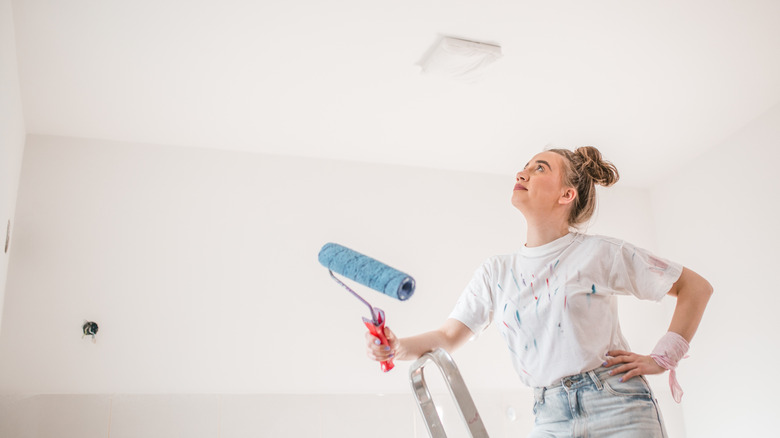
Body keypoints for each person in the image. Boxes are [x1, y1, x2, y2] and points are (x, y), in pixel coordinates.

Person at [365, 146, 713, 437]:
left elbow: (694, 288)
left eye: (539, 168)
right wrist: (397, 347)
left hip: (616, 404)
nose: (522, 174)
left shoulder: (600, 253)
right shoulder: (495, 273)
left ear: (566, 195)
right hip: (550, 415)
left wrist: (662, 358)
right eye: (524, 168)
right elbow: (448, 336)